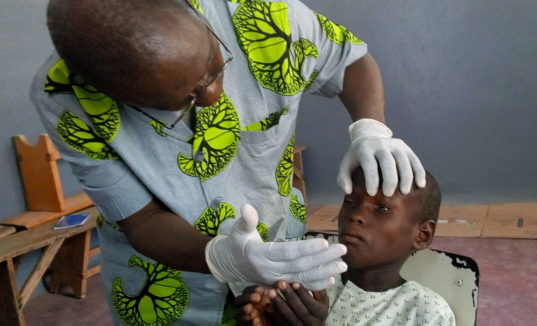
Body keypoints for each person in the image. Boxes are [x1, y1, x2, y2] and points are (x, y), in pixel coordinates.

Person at [30, 0, 425, 324]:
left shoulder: (259, 12)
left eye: (215, 68)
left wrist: (370, 128)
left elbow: (349, 59)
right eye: (179, 102)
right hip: (165, 283)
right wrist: (222, 258)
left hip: (277, 248)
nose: (213, 96)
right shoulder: (65, 99)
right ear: (110, 91)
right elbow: (141, 219)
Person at [235, 167, 455, 326]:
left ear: (422, 235)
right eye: (350, 202)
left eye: (382, 209)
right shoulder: (304, 284)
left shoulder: (427, 312)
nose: (357, 215)